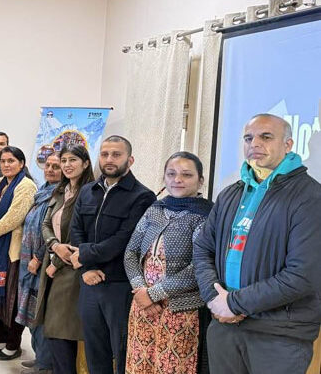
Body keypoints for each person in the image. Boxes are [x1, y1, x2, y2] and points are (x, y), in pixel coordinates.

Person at [193, 114, 321, 374]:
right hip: (224, 328)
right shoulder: (230, 193)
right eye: (248, 138)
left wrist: (234, 303)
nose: (255, 144)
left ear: (288, 144)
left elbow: (302, 275)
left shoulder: (310, 196)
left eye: (266, 137)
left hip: (278, 335)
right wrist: (214, 297)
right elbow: (203, 248)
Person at [69, 135, 155, 374]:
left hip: (119, 285)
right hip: (89, 282)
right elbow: (76, 230)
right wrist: (87, 268)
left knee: (123, 350)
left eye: (116, 155)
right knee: (95, 351)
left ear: (130, 160)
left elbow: (124, 240)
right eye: (105, 154)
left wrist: (83, 256)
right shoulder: (87, 191)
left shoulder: (142, 196)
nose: (109, 159)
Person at [125, 152, 214, 374]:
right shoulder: (155, 209)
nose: (177, 180)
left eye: (187, 175)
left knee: (172, 368)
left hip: (181, 309)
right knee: (139, 365)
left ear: (200, 180)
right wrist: (141, 290)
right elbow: (131, 252)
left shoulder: (206, 215)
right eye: (171, 174)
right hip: (143, 306)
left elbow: (199, 266)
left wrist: (153, 294)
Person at [34, 144, 93, 374]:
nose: (67, 165)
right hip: (53, 263)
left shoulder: (89, 194)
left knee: (63, 331)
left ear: (85, 163)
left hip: (71, 271)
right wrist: (54, 246)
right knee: (53, 331)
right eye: (64, 161)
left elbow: (79, 236)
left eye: (72, 160)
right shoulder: (61, 190)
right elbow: (45, 224)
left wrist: (56, 262)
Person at [0, 146, 37, 361]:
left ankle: (13, 345)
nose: (6, 164)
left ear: (21, 163)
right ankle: (2, 340)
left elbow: (14, 218)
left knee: (12, 299)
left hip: (13, 251)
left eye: (11, 161)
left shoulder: (26, 185)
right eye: (2, 161)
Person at [16, 153, 62, 374]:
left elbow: (53, 230)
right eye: (48, 165)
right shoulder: (42, 191)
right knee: (31, 311)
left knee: (40, 312)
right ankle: (38, 357)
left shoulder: (60, 196)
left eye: (56, 166)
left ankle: (45, 364)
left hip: (41, 262)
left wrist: (38, 257)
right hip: (28, 261)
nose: (50, 169)